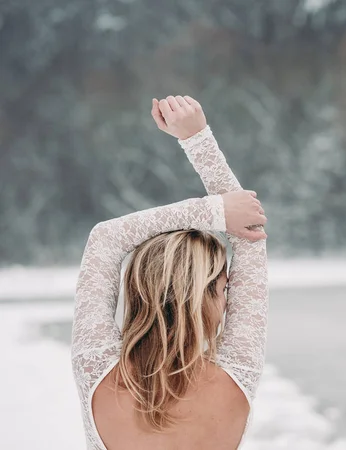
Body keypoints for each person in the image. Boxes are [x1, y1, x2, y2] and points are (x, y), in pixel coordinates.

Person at [71, 95, 269, 450]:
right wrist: (197, 139)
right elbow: (251, 234)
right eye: (225, 290)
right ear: (203, 296)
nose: (227, 302)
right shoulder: (238, 373)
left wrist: (214, 211)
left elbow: (106, 237)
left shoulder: (95, 368)